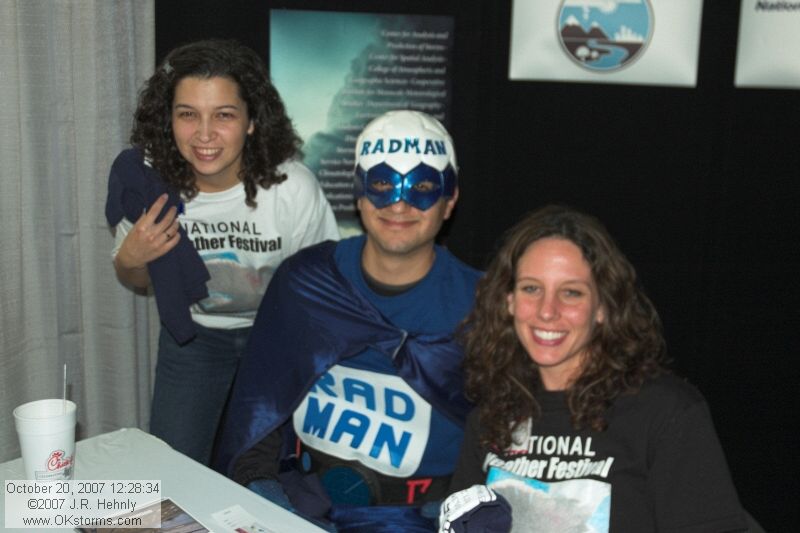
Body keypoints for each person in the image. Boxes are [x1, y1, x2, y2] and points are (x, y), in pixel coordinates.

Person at [215, 110, 482, 532]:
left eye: (424, 188)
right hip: (299, 503)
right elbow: (260, 410)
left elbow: (507, 437)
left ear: (449, 202)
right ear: (358, 193)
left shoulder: (483, 305)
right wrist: (262, 494)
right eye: (381, 184)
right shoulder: (306, 283)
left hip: (421, 518)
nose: (399, 202)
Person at [443, 205, 748, 532]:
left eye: (571, 293)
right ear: (509, 301)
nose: (547, 311)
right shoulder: (490, 417)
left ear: (602, 306)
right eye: (531, 288)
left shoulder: (665, 413)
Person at [106, 39, 339, 465]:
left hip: (279, 338)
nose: (205, 134)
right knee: (172, 472)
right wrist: (131, 258)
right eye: (188, 115)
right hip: (194, 338)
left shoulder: (291, 189)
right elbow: (136, 280)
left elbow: (326, 290)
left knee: (276, 470)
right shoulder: (149, 183)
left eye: (224, 115)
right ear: (168, 120)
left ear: (251, 121)